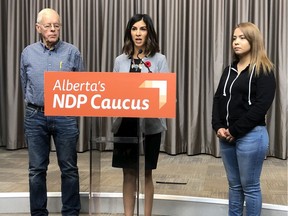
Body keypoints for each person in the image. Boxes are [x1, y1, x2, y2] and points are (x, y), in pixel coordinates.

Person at [20, 8, 84, 216]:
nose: (53, 29)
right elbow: (25, 84)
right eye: (48, 26)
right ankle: (38, 213)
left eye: (56, 25)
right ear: (38, 28)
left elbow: (81, 86)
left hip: (65, 117)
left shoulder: (72, 52)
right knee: (36, 170)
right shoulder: (28, 52)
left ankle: (71, 212)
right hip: (35, 115)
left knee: (69, 169)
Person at [212, 22, 276, 216]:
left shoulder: (264, 70)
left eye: (242, 38)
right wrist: (218, 127)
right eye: (234, 38)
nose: (236, 42)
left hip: (251, 136)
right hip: (226, 136)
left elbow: (260, 107)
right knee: (234, 186)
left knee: (250, 187)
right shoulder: (229, 70)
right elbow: (217, 100)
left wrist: (234, 130)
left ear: (253, 41)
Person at [111, 14, 169, 216]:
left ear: (149, 32)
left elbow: (164, 96)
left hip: (150, 125)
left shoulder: (159, 60)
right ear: (129, 32)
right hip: (125, 124)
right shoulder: (120, 60)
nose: (138, 33)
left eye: (142, 29)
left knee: (146, 172)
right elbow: (113, 93)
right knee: (127, 173)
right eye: (134, 29)